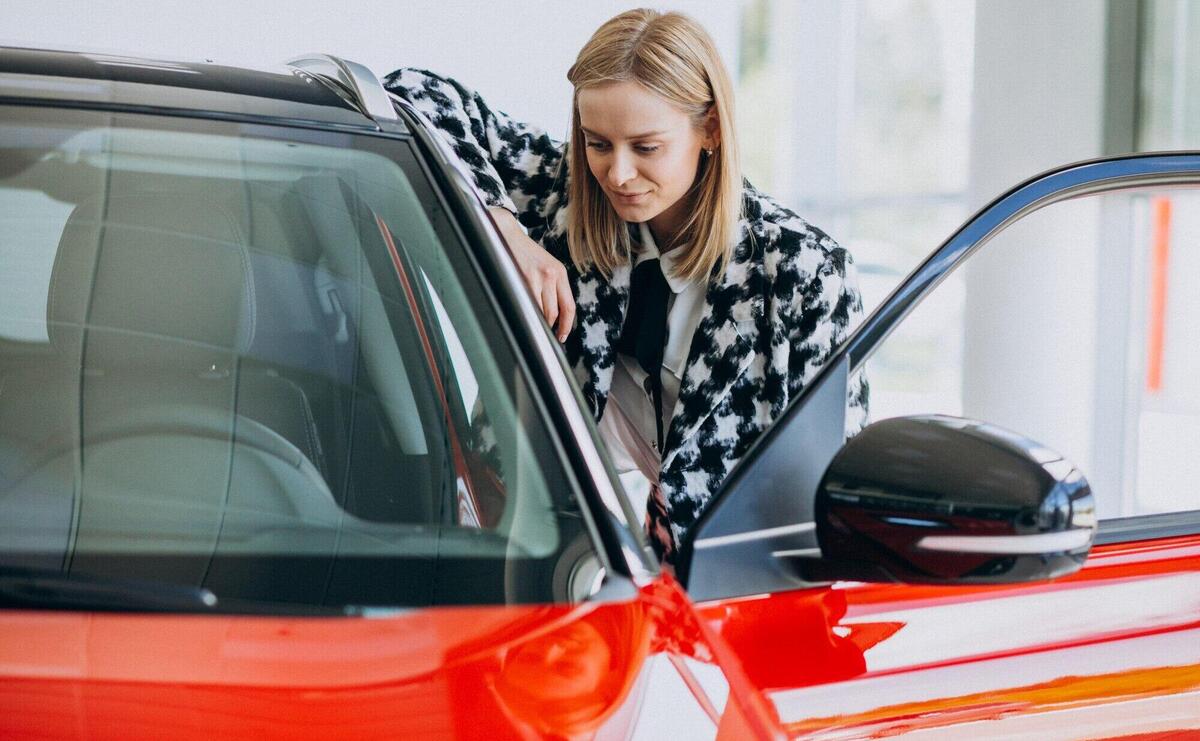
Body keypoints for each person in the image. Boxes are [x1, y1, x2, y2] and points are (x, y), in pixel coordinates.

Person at [384, 8, 868, 566]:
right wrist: (506, 233)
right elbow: (408, 93)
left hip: (730, 591)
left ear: (709, 127)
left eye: (645, 147)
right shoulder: (558, 196)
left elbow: (832, 489)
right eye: (597, 143)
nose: (616, 174)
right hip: (540, 557)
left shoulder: (804, 275)